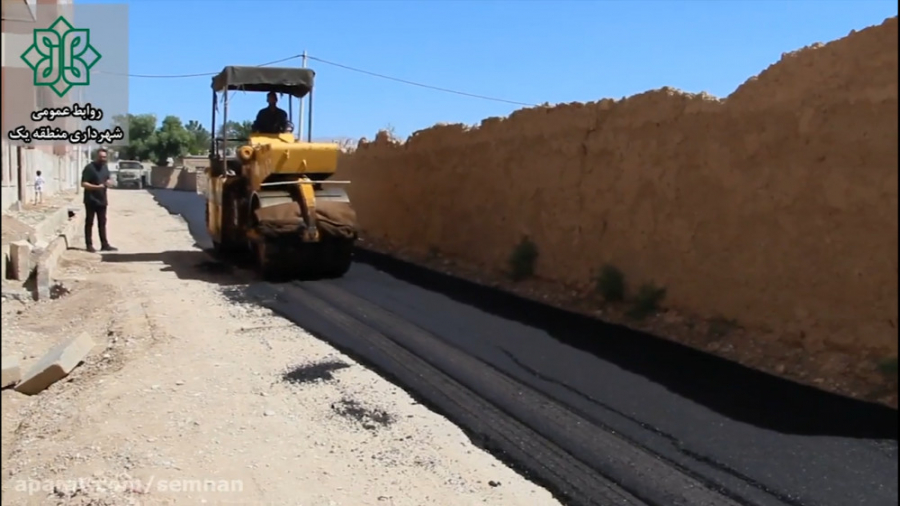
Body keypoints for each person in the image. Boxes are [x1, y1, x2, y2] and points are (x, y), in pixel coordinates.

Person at [80, 148, 118, 253]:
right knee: (89, 222)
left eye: (104, 157)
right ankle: (89, 245)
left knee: (102, 222)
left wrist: (109, 182)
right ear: (97, 157)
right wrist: (97, 187)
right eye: (101, 157)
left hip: (102, 200)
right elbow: (83, 184)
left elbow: (107, 179)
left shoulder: (105, 167)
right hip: (91, 200)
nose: (103, 159)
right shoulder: (89, 168)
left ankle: (104, 244)